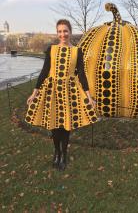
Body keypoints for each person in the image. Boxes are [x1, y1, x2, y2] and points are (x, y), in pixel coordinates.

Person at [25, 19, 98, 171]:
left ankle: (64, 155)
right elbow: (44, 72)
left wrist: (89, 96)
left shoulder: (77, 51)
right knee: (54, 126)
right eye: (59, 31)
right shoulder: (51, 49)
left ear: (70, 32)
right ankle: (56, 152)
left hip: (68, 92)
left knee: (65, 127)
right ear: (57, 33)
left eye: (65, 31)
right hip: (52, 91)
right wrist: (34, 93)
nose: (62, 34)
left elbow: (82, 75)